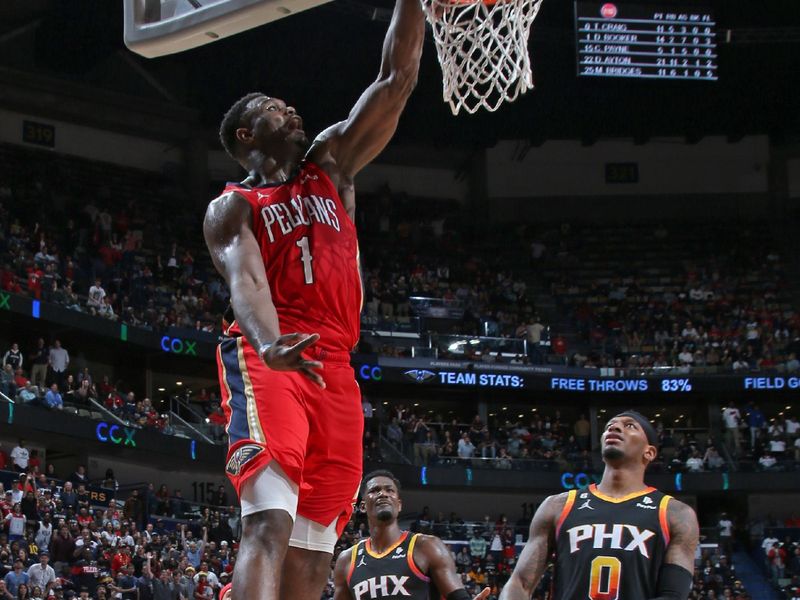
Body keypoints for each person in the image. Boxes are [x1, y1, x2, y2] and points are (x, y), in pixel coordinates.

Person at [202, 0, 425, 598]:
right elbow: (244, 280)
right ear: (247, 135)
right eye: (275, 109)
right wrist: (270, 342)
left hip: (334, 365)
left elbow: (394, 82)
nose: (291, 109)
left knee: (312, 553)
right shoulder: (233, 206)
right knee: (268, 522)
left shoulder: (332, 164)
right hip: (270, 353)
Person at [500, 410, 699, 600]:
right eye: (610, 426)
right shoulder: (559, 505)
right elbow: (520, 583)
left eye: (629, 426)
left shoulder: (674, 513)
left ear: (649, 452)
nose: (614, 428)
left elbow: (672, 596)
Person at [333, 470, 488, 600]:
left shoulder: (427, 546)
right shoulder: (347, 560)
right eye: (375, 490)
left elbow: (457, 596)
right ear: (362, 506)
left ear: (399, 505)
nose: (383, 494)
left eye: (390, 490)